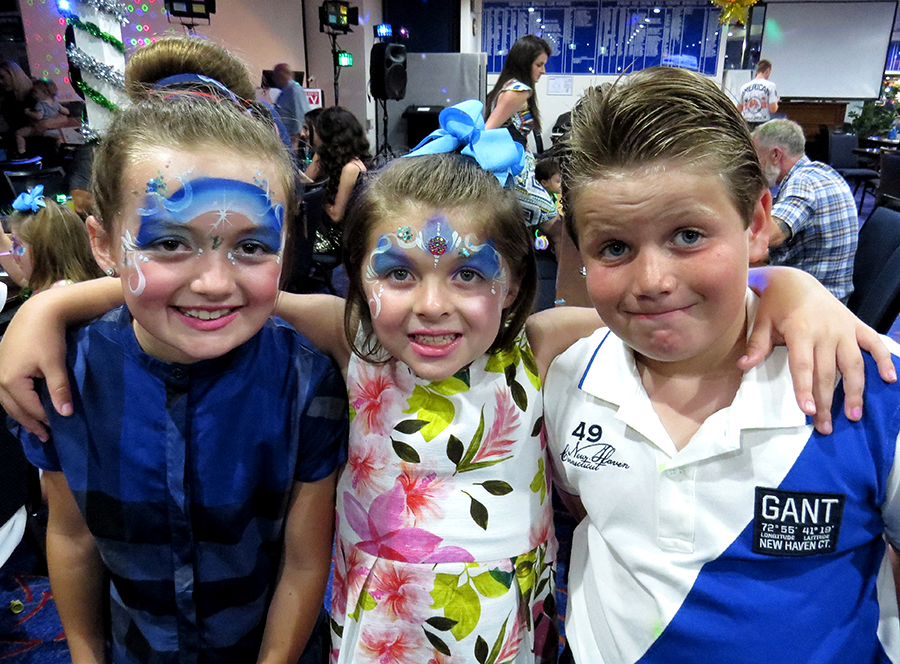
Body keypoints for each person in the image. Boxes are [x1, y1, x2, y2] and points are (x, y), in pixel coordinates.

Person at [0, 100, 894, 662]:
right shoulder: (356, 343)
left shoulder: (541, 349)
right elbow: (228, 291)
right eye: (396, 274)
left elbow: (665, 312)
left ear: (516, 282)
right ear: (353, 282)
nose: (431, 307)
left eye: (469, 275)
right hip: (367, 638)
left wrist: (790, 288)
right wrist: (47, 308)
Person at [545, 66, 900, 664]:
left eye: (687, 235)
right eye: (614, 248)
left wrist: (786, 283)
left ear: (757, 223)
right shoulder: (564, 377)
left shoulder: (869, 386)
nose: (652, 282)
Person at [9, 53, 348, 663]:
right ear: (104, 243)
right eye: (169, 242)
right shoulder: (65, 377)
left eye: (250, 245)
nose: (215, 283)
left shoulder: (305, 382)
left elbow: (304, 565)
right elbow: (71, 535)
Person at [753, 118, 858, 302]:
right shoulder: (823, 172)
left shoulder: (803, 182)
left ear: (775, 155)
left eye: (756, 157)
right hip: (829, 294)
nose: (754, 166)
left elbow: (769, 234)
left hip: (816, 306)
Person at [485, 34, 558, 229]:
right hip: (514, 174)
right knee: (556, 225)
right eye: (539, 64)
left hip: (514, 170)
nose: (543, 70)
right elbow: (488, 130)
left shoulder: (507, 87)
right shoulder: (517, 91)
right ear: (524, 63)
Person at [0, 185, 103, 294]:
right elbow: (22, 279)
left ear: (45, 250)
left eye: (17, 244)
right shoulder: (49, 284)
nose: (12, 252)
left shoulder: (61, 291)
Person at [302, 106, 370, 256]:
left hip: (335, 239)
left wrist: (318, 199)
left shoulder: (351, 168)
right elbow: (306, 180)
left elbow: (336, 215)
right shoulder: (345, 164)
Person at [14, 78, 69, 156]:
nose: (33, 94)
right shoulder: (55, 103)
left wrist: (28, 112)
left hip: (41, 129)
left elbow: (39, 116)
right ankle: (63, 152)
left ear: (45, 92)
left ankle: (21, 152)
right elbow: (66, 111)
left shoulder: (40, 104)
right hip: (55, 129)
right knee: (59, 139)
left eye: (35, 92)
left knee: (19, 133)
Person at [271, 62, 310, 154]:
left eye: (276, 75)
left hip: (293, 139)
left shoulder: (294, 90)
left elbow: (300, 114)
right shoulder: (284, 91)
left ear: (282, 75)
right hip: (286, 136)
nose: (274, 79)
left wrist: (298, 138)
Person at [0, 60, 33, 155]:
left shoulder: (33, 94)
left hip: (36, 143)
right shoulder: (6, 97)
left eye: (3, 77)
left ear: (14, 75)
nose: (0, 82)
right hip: (14, 144)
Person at [737, 59, 778, 128]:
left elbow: (739, 109)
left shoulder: (744, 87)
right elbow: (773, 109)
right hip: (763, 124)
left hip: (747, 123)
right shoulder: (770, 86)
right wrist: (776, 102)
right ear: (768, 70)